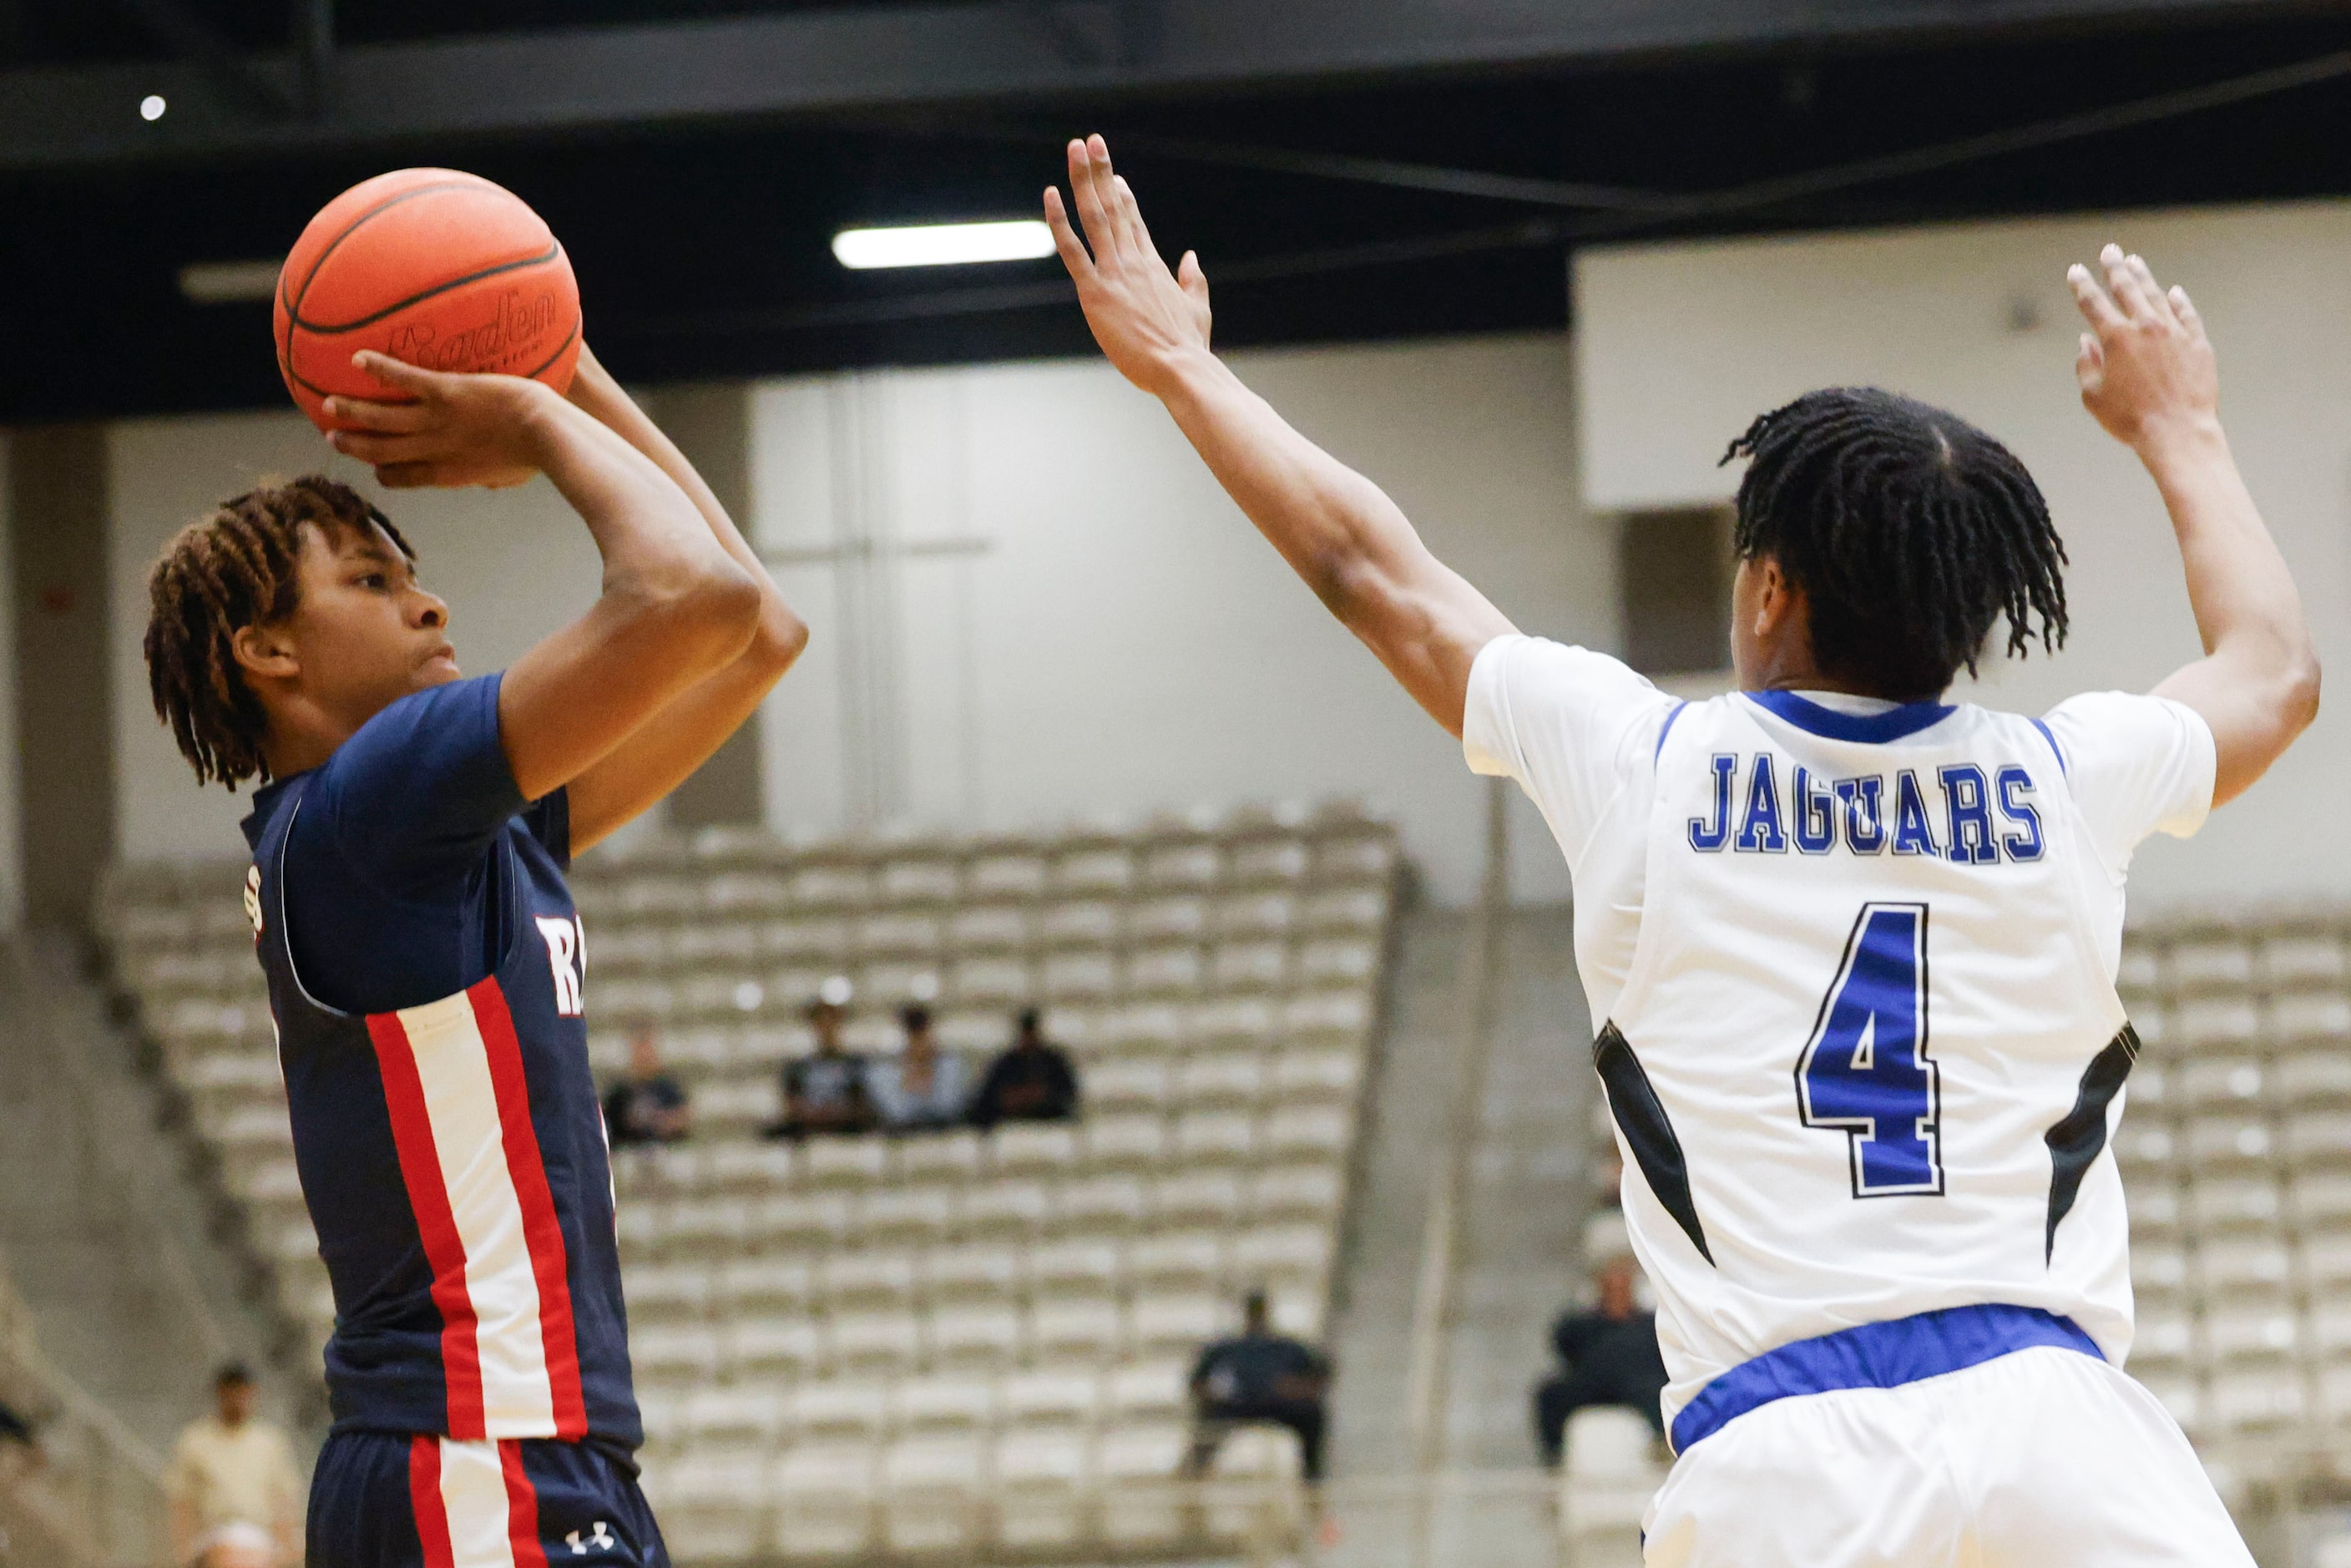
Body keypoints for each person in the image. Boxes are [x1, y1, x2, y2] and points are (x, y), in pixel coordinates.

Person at [1046, 136, 2317, 1565]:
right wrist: (2183, 427)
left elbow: (1371, 570)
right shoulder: (2068, 776)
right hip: (2067, 1438)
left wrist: (1185, 370)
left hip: (1787, 1456)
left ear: (1768, 586)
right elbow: (2272, 669)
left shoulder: (1648, 762)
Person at [143, 340, 806, 1566]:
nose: (430, 602)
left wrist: (577, 377)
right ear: (267, 650)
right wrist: (537, 418)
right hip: (475, 1455)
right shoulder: (370, 803)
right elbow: (689, 598)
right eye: (371, 580)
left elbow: (756, 626)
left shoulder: (419, 833)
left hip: (516, 1455)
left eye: (414, 574)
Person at [1534, 1250, 1669, 1464]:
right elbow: (1566, 1352)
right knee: (1551, 1393)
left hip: (1639, 1387)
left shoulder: (1650, 1324)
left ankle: (1664, 1445)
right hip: (1593, 1385)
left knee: (1662, 1393)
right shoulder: (1580, 1325)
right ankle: (1556, 1456)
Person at [1184, 1291, 1332, 1484]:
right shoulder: (1227, 1348)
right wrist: (1214, 1394)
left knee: (1311, 1414)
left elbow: (1320, 1375)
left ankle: (1312, 1479)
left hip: (1281, 1405)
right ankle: (1193, 1482)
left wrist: (1298, 1388)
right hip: (1236, 1405)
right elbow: (1197, 1383)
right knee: (1207, 1422)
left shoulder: (1287, 1348)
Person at [164, 1364, 303, 1568]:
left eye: (243, 1393)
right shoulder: (196, 1440)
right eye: (231, 1393)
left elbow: (285, 1501)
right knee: (230, 1554)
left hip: (260, 1536)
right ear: (220, 1394)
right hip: (215, 1535)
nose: (237, 1400)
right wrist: (185, 1552)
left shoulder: (270, 1441)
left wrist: (284, 1550)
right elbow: (182, 1503)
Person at [770, 990, 878, 1138]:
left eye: (831, 1019)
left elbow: (864, 1104)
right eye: (820, 1020)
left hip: (847, 1131)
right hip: (808, 1130)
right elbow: (792, 1105)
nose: (826, 1026)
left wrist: (834, 1113)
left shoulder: (857, 1065)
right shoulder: (797, 1068)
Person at [967, 1008, 1079, 1130]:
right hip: (1009, 1125)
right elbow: (987, 1100)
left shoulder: (1053, 1062)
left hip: (1048, 1124)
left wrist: (1040, 1096)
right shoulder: (1005, 1064)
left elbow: (1067, 1096)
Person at [867, 1004, 971, 1133]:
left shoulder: (952, 1066)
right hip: (900, 1136)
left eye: (921, 1030)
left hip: (946, 1134)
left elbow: (949, 1108)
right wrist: (912, 1073)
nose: (917, 1039)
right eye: (912, 1032)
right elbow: (896, 1114)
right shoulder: (882, 1071)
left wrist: (927, 1071)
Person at [604, 1026, 692, 1146]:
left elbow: (683, 1118)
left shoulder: (667, 1088)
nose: (644, 1057)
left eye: (647, 1052)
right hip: (628, 1153)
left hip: (663, 1150)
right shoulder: (619, 1093)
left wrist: (665, 1121)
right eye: (639, 1052)